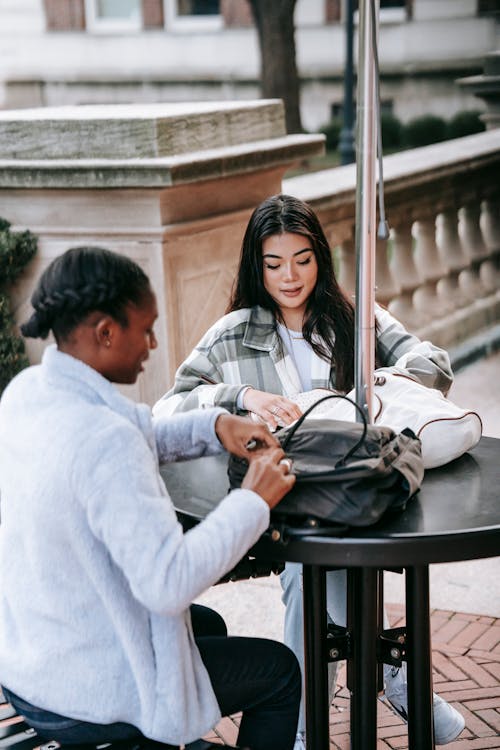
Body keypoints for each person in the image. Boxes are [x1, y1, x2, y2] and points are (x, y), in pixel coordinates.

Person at [154, 194, 466, 747]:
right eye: (273, 264)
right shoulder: (233, 332)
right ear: (257, 266)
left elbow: (434, 365)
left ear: (319, 255)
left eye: (301, 258)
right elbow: (168, 407)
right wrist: (241, 395)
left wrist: (360, 395)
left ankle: (312, 720)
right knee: (308, 567)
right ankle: (384, 676)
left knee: (326, 563)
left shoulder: (357, 317)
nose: (289, 276)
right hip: (288, 499)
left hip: (357, 486)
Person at [0, 246, 302, 750]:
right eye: (145, 329)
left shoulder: (28, 393)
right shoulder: (105, 443)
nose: (153, 343)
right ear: (105, 332)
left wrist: (215, 424)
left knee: (207, 627)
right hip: (90, 690)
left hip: (33, 658)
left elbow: (129, 432)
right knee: (280, 671)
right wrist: (253, 500)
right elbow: (169, 582)